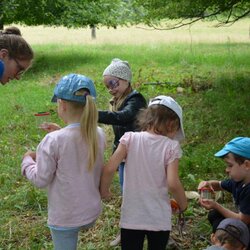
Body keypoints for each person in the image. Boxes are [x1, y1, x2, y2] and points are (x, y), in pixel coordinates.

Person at [21, 74, 106, 250]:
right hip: (90, 212)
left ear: (62, 104)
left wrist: (27, 161)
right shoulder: (98, 133)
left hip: (66, 217)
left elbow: (40, 179)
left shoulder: (53, 140)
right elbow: (77, 145)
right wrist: (62, 131)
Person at [100, 95, 188, 250]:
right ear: (172, 124)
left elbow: (109, 168)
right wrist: (183, 204)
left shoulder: (130, 139)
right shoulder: (171, 147)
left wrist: (104, 190)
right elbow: (173, 183)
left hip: (131, 217)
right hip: (158, 218)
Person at [98, 58, 147, 246]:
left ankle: (160, 232)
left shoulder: (136, 99)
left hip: (138, 155)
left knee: (140, 195)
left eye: (113, 83)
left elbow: (124, 117)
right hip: (124, 155)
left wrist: (94, 114)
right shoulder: (117, 100)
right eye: (107, 86)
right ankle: (126, 231)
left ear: (125, 79)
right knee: (128, 195)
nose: (110, 89)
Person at [198, 137, 250, 250]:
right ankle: (223, 242)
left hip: (246, 225)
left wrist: (216, 205)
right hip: (244, 224)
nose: (227, 169)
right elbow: (219, 184)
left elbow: (242, 220)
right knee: (214, 215)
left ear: (246, 165)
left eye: (230, 165)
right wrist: (207, 184)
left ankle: (233, 245)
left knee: (218, 213)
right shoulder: (239, 180)